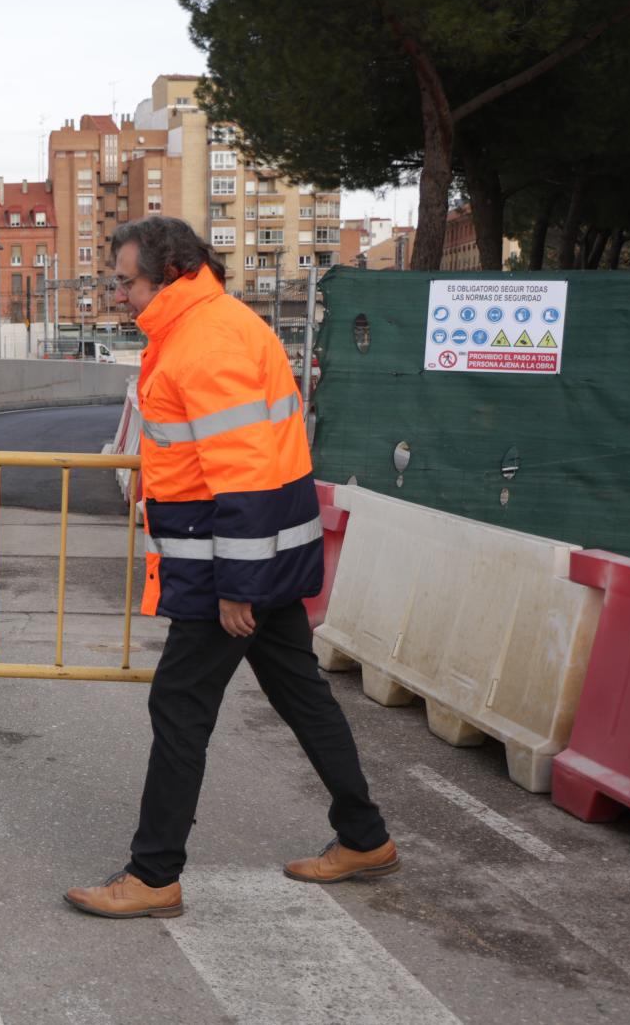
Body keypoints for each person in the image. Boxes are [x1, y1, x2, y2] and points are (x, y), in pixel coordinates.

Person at [63, 217, 395, 920]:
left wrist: (239, 586)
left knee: (179, 705)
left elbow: (242, 474)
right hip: (260, 554)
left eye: (126, 281)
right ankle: (364, 836)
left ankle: (153, 876)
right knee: (300, 692)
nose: (118, 294)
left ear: (170, 270)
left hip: (232, 565)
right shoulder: (210, 326)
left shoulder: (204, 342)